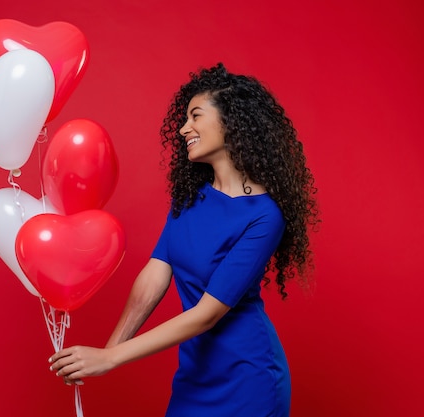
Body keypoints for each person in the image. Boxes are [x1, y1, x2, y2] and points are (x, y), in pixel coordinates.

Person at [49, 62, 319, 416]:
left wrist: (111, 358)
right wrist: (106, 351)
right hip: (195, 373)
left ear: (231, 122)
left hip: (247, 378)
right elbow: (155, 274)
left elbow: (208, 313)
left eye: (195, 116)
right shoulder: (190, 198)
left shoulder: (264, 216)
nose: (182, 129)